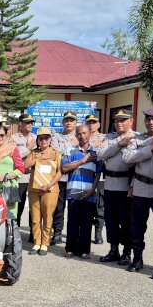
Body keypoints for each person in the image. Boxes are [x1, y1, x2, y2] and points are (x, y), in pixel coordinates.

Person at [121, 107, 153, 273]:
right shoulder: (137, 139)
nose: (151, 122)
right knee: (137, 227)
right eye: (148, 119)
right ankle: (137, 259)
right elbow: (127, 157)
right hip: (141, 188)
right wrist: (150, 149)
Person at [95, 109, 136, 265]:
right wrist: (119, 144)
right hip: (110, 183)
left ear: (131, 121)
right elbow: (100, 154)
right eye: (117, 120)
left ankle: (127, 252)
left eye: (123, 120)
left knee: (125, 220)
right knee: (110, 219)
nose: (119, 123)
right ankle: (113, 249)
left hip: (126, 184)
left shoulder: (135, 137)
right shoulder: (109, 137)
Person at [61, 125, 103, 258]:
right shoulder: (70, 150)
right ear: (76, 135)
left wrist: (93, 189)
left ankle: (84, 250)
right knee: (72, 222)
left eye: (84, 133)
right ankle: (70, 249)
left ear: (90, 133)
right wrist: (82, 160)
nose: (82, 136)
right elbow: (65, 168)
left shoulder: (95, 152)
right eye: (79, 133)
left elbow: (98, 173)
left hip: (88, 192)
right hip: (73, 191)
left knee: (86, 223)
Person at [23, 127, 61, 256]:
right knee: (35, 218)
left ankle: (45, 243)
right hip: (34, 189)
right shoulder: (34, 153)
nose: (43, 140)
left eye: (46, 138)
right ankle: (37, 242)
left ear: (50, 139)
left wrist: (49, 185)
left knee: (47, 217)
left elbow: (60, 172)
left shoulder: (56, 153)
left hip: (50, 190)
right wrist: (40, 158)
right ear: (37, 140)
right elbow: (24, 166)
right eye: (41, 138)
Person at [50, 111, 79, 245]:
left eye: (71, 120)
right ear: (62, 122)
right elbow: (55, 151)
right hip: (60, 177)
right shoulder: (56, 136)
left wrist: (66, 148)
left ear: (76, 123)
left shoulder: (81, 136)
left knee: (74, 208)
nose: (68, 123)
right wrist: (71, 145)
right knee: (58, 207)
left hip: (75, 177)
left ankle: (73, 234)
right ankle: (57, 232)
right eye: (66, 120)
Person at [12, 113, 37, 235]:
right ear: (20, 124)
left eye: (31, 122)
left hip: (34, 176)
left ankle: (33, 233)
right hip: (21, 177)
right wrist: (28, 148)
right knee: (19, 205)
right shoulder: (14, 138)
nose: (30, 124)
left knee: (34, 207)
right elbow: (13, 157)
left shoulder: (37, 137)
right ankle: (16, 232)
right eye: (27, 122)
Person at [86, 114, 105, 244]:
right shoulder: (82, 137)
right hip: (86, 176)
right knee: (86, 205)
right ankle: (85, 232)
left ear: (98, 125)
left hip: (101, 177)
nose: (91, 124)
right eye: (89, 122)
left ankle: (98, 234)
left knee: (100, 206)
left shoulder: (104, 138)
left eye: (94, 122)